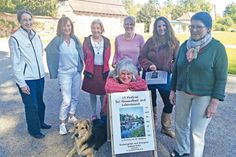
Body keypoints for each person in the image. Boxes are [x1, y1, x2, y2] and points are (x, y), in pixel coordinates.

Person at [169, 12, 228, 157]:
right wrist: (172, 90)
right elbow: (176, 69)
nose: (194, 30)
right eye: (191, 26)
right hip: (182, 91)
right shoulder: (185, 45)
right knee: (180, 124)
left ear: (208, 28)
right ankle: (182, 150)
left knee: (196, 132)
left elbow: (221, 78)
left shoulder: (217, 48)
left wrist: (214, 102)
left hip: (204, 95)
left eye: (198, 27)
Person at [9, 10, 51, 139]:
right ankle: (33, 130)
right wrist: (22, 84)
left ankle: (40, 123)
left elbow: (40, 54)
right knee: (31, 105)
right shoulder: (15, 38)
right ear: (20, 22)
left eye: (30, 19)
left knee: (40, 102)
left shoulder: (36, 36)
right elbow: (15, 63)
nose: (28, 22)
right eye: (25, 20)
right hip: (27, 79)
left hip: (39, 77)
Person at [139, 16, 179, 138]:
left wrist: (168, 67)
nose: (161, 28)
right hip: (150, 76)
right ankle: (151, 126)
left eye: (163, 25)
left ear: (167, 26)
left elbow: (177, 62)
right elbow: (141, 57)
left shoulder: (174, 42)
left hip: (165, 78)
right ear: (156, 28)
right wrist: (149, 65)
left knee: (169, 102)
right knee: (150, 102)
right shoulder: (150, 41)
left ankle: (165, 127)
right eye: (159, 26)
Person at [45, 16, 84, 135]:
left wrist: (80, 67)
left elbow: (81, 53)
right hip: (64, 73)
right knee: (66, 100)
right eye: (64, 26)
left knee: (76, 96)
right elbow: (49, 51)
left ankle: (71, 115)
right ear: (60, 27)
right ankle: (62, 123)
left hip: (76, 72)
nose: (66, 28)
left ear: (71, 27)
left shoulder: (75, 39)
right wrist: (54, 69)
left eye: (68, 25)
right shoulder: (57, 40)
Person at [82, 19, 111, 120]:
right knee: (92, 93)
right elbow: (84, 56)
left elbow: (108, 55)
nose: (96, 30)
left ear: (101, 29)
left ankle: (102, 112)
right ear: (91, 29)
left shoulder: (107, 41)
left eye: (98, 28)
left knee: (103, 92)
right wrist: (89, 66)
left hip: (103, 70)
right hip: (92, 70)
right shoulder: (86, 41)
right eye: (93, 28)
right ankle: (93, 114)